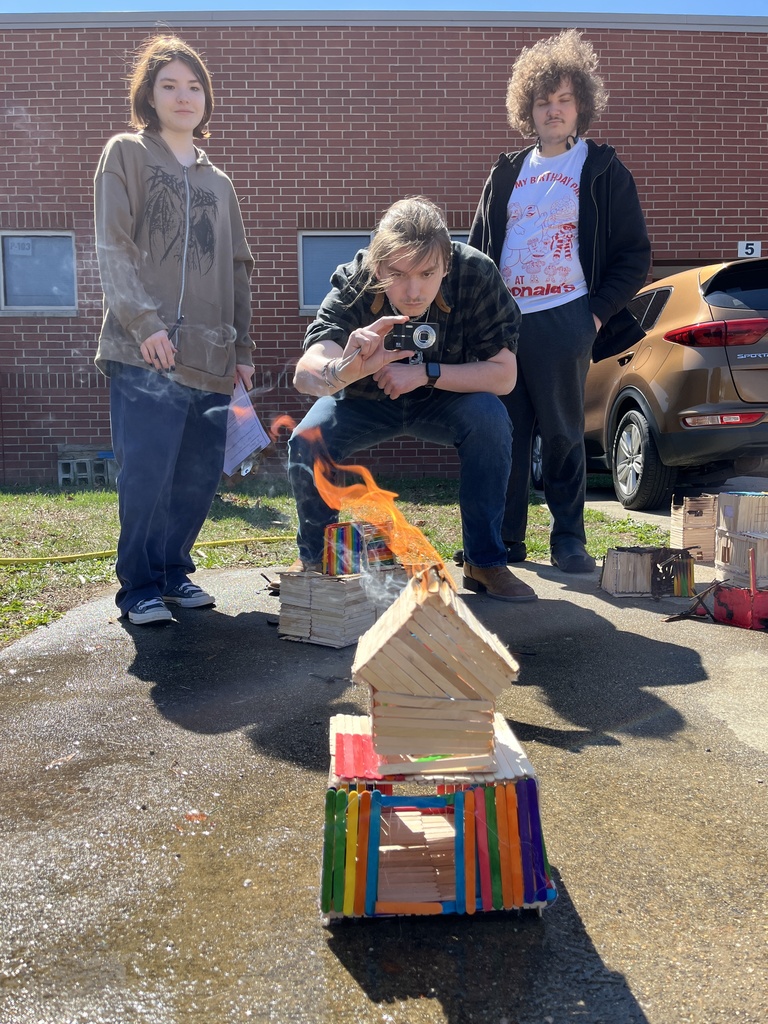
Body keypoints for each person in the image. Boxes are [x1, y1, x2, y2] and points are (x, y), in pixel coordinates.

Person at [288, 196, 536, 603]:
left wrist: (425, 373)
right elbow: (306, 373)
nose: (413, 289)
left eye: (427, 272)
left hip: (445, 398)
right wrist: (349, 367)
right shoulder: (357, 279)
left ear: (446, 264)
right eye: (397, 274)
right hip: (366, 400)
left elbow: (505, 376)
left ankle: (485, 561)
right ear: (377, 265)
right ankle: (315, 560)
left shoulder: (475, 272)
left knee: (491, 418)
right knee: (308, 438)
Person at [469, 29, 650, 573]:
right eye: (543, 101)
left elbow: (633, 254)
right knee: (504, 434)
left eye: (564, 100)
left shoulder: (601, 170)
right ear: (528, 108)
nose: (553, 109)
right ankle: (502, 545)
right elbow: (477, 253)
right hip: (505, 325)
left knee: (564, 434)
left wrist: (592, 314)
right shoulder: (505, 174)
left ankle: (569, 539)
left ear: (581, 106)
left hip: (566, 316)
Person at [94, 35, 254, 625]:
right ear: (149, 95)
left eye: (194, 86)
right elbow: (113, 245)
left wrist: (242, 349)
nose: (184, 96)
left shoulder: (220, 184)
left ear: (206, 99)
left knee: (196, 476)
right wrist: (143, 324)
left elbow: (239, 268)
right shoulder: (127, 154)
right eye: (170, 85)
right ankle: (137, 587)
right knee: (148, 472)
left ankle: (173, 573)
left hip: (211, 357)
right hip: (145, 353)